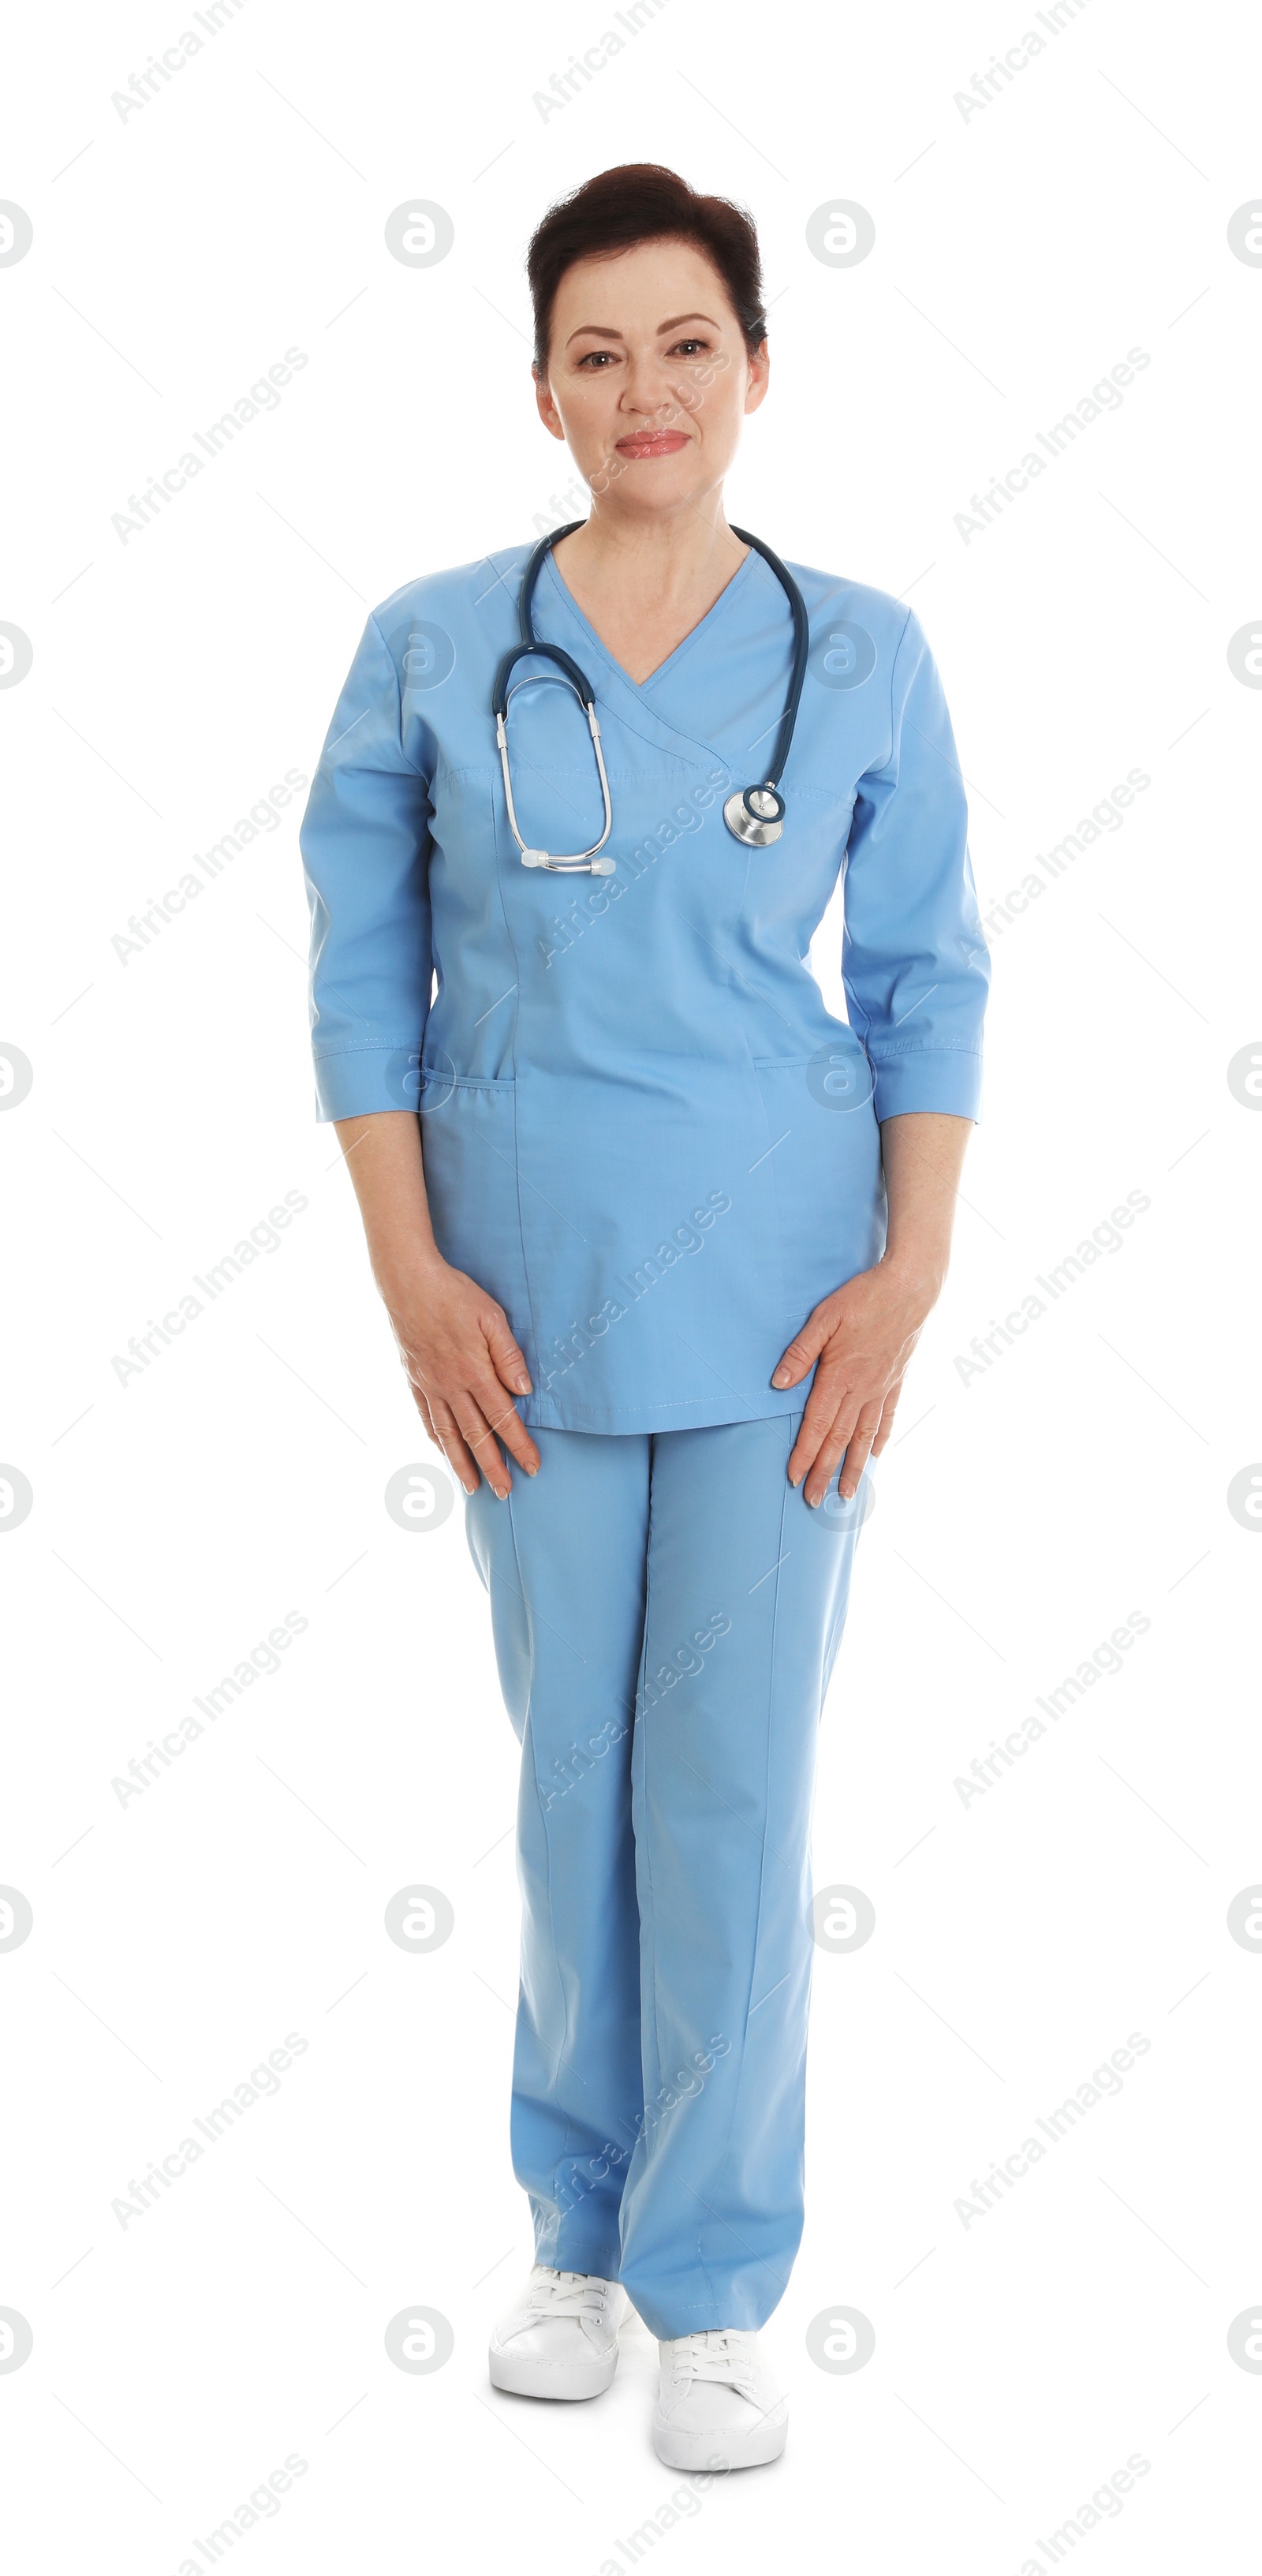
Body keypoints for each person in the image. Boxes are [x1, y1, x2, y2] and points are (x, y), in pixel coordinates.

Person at [299, 162, 989, 2471]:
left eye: (686, 341)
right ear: (539, 391)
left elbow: (926, 981)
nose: (645, 388)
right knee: (568, 1773)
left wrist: (911, 1274)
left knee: (731, 1787)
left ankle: (709, 2283)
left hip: (797, 1308)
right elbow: (355, 978)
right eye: (596, 351)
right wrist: (410, 1270)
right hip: (525, 1298)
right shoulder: (430, 639)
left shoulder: (862, 645)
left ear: (758, 366)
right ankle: (571, 2238)